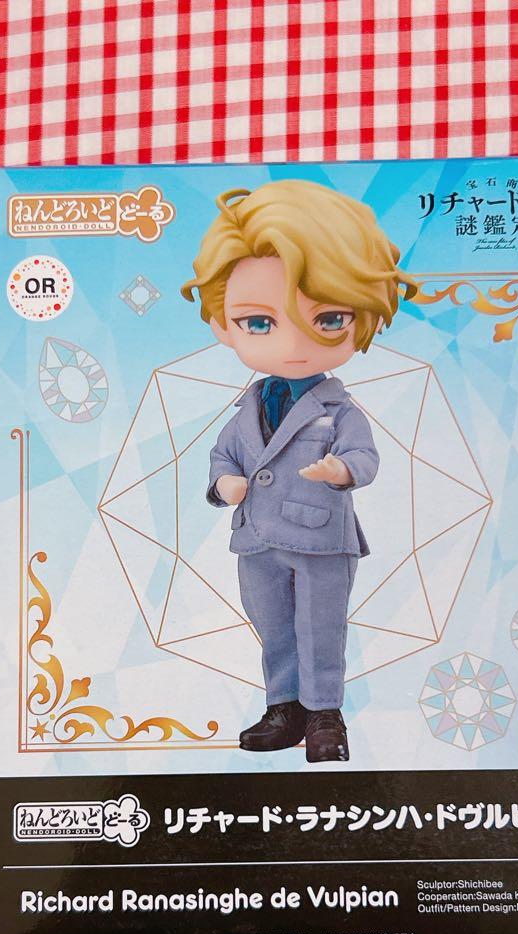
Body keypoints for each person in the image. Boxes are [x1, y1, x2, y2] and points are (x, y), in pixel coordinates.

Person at [181, 179, 415, 763]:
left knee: (320, 626)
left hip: (319, 538)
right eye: (259, 322)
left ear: (361, 320)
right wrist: (224, 485)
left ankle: (325, 713)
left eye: (328, 318)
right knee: (273, 626)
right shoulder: (247, 407)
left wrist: (342, 471)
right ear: (222, 324)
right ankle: (283, 707)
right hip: (256, 539)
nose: (292, 343)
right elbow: (224, 456)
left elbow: (366, 456)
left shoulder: (338, 408)